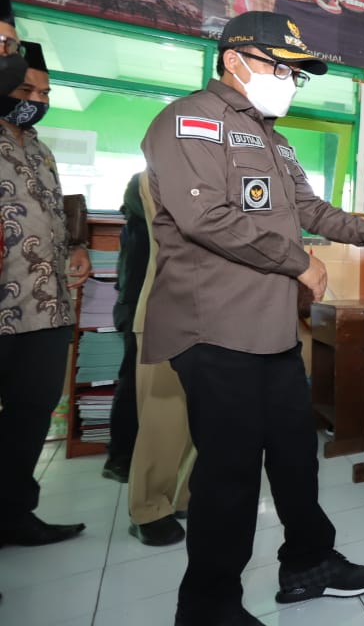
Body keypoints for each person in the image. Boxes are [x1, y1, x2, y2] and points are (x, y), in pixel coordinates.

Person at [141, 11, 364, 626]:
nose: (287, 81)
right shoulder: (192, 122)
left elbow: (312, 208)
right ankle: (208, 607)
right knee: (229, 473)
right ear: (234, 60)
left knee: (297, 456)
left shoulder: (274, 140)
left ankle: (309, 564)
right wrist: (297, 261)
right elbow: (206, 219)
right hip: (215, 327)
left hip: (271, 332)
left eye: (295, 74)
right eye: (280, 67)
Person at [0, 20, 91, 551]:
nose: (36, 101)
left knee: (31, 417)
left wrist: (75, 247)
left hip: (47, 309)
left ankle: (14, 514)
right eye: (25, 91)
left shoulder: (41, 149)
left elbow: (52, 216)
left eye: (44, 93)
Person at [127, 171, 193, 547]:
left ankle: (182, 495)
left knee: (209, 419)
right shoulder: (156, 175)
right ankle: (148, 507)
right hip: (170, 313)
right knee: (163, 419)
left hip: (223, 318)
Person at [103, 172, 151, 483]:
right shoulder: (141, 183)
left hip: (162, 302)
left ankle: (149, 454)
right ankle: (120, 457)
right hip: (137, 302)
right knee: (134, 381)